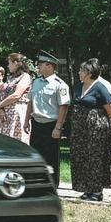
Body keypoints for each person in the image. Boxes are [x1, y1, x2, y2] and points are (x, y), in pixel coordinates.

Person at [69, 59, 111, 200]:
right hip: (80, 128)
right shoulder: (79, 87)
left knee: (95, 157)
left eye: (81, 70)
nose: (78, 72)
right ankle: (86, 188)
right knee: (81, 156)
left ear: (89, 73)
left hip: (96, 128)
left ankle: (96, 191)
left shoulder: (100, 87)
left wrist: (100, 122)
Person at [28, 53, 70, 184]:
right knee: (36, 155)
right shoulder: (36, 82)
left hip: (51, 124)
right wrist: (26, 121)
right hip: (37, 122)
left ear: (50, 66)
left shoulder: (59, 84)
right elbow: (30, 101)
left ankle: (52, 184)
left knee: (51, 157)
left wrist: (58, 127)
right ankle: (36, 181)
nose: (38, 67)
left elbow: (63, 107)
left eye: (41, 64)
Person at [0, 52, 32, 143]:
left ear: (15, 63)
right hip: (4, 114)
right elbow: (3, 95)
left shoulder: (25, 77)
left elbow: (16, 95)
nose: (8, 66)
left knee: (15, 141)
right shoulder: (11, 78)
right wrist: (0, 109)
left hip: (16, 113)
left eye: (9, 63)